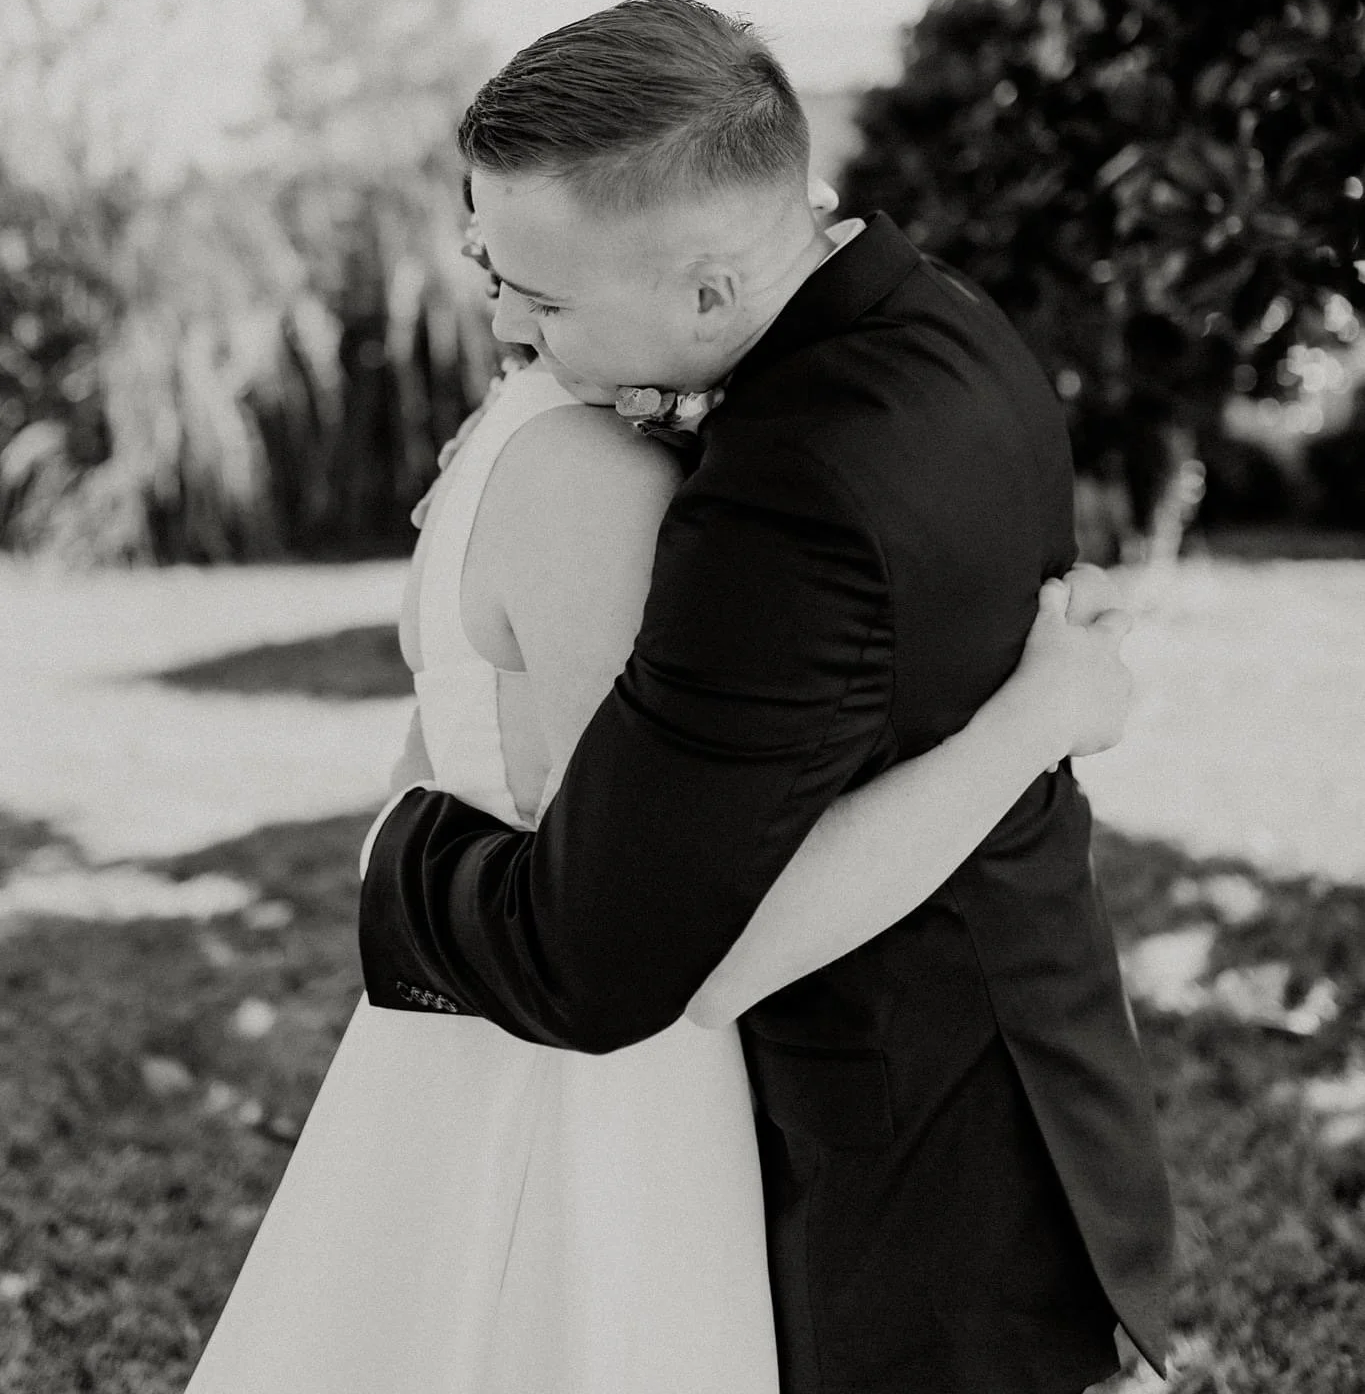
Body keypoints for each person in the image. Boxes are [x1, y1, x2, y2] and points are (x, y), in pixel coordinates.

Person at [358, 0, 1174, 1394]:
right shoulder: (947, 324)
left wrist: (395, 860)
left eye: (543, 300)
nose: (503, 324)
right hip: (1041, 1062)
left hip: (908, 1171)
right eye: (497, 269)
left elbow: (629, 960)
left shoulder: (785, 500)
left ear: (711, 293)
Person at [187, 360, 1134, 1394]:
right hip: (606, 1058)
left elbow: (427, 760)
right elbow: (684, 885)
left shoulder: (508, 431)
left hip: (453, 1036)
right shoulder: (598, 472)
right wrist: (1034, 715)